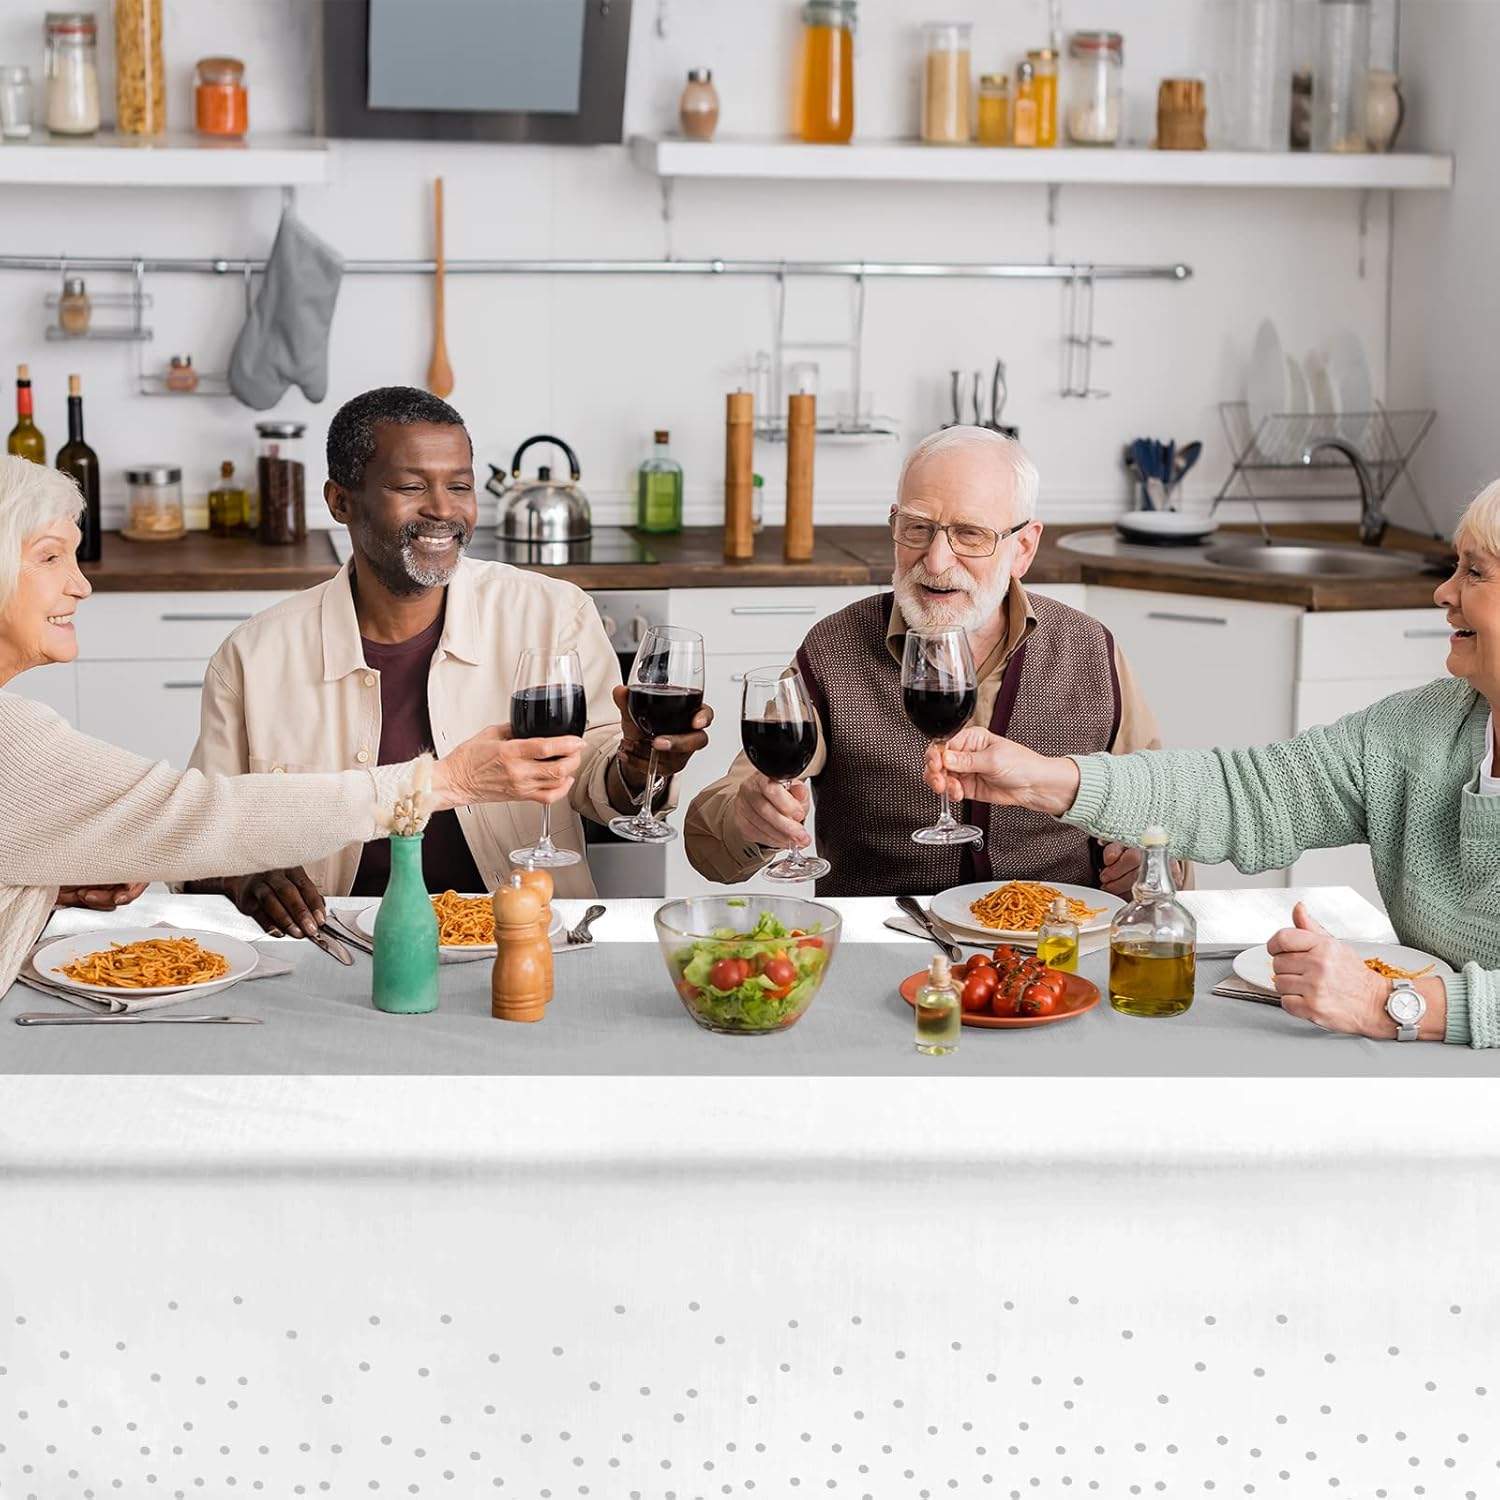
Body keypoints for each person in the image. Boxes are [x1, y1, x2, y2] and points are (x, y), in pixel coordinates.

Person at [922, 479, 1500, 1047]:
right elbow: (1248, 792)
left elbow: (1398, 1007)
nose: (1443, 592)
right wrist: (1048, 779)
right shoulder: (1427, 726)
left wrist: (1391, 1005)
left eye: (1474, 573)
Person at [0, 456, 537, 998]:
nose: (82, 585)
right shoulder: (11, 739)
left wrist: (37, 881)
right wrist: (444, 783)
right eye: (49, 557)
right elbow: (200, 814)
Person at [186, 387, 711, 935]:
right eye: (411, 486)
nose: (443, 509)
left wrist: (637, 763)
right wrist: (237, 876)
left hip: (524, 939)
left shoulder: (554, 613)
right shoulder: (252, 657)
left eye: (459, 486)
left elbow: (599, 786)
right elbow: (193, 837)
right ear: (340, 501)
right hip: (332, 951)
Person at [684, 426, 1179, 897]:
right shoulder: (834, 648)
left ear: (1023, 548)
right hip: (881, 947)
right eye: (917, 528)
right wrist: (747, 817)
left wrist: (1153, 860)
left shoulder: (1090, 649)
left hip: (1051, 947)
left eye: (969, 535)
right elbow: (714, 843)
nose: (937, 560)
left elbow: (1164, 815)